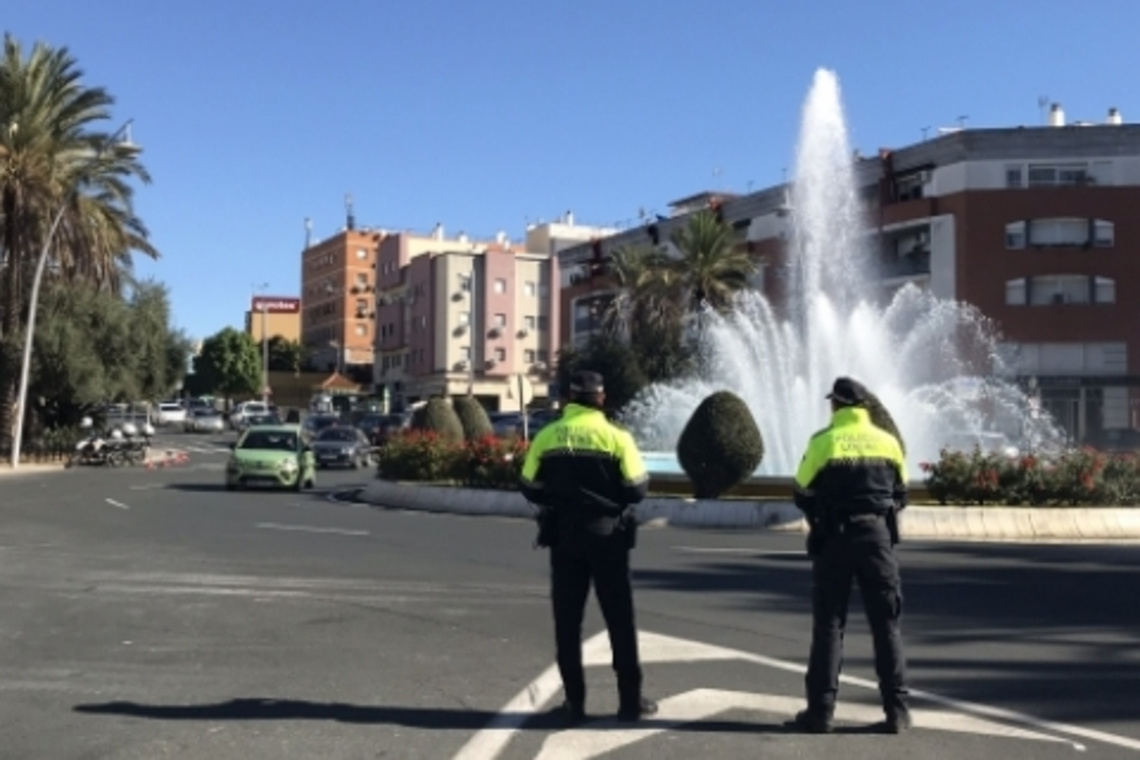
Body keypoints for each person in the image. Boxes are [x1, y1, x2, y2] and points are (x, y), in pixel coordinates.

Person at [519, 370, 657, 724]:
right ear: (601, 398)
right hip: (608, 537)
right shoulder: (616, 437)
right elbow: (637, 489)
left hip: (564, 537)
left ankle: (574, 704)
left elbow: (528, 485)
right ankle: (629, 703)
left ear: (568, 398)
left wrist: (557, 497)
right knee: (620, 621)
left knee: (567, 622)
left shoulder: (548, 436)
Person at [789, 376, 912, 734]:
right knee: (886, 625)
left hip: (835, 539)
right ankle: (897, 712)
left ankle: (820, 713)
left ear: (836, 405)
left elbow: (800, 489)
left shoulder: (823, 442)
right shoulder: (888, 442)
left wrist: (822, 512)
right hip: (878, 540)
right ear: (863, 406)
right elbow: (901, 492)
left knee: (830, 625)